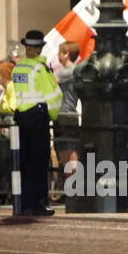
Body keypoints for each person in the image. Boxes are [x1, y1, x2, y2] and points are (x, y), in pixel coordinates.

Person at [1, 29, 61, 216]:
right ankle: (36, 204)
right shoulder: (40, 68)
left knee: (25, 162)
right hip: (37, 118)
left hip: (21, 117)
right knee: (38, 162)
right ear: (40, 48)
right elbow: (53, 95)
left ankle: (24, 203)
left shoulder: (19, 68)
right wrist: (54, 115)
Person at [54, 40, 81, 191]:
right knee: (69, 152)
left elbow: (50, 82)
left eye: (59, 52)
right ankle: (72, 188)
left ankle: (73, 188)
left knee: (68, 154)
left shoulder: (68, 72)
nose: (58, 56)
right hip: (68, 114)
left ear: (66, 54)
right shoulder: (75, 71)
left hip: (64, 114)